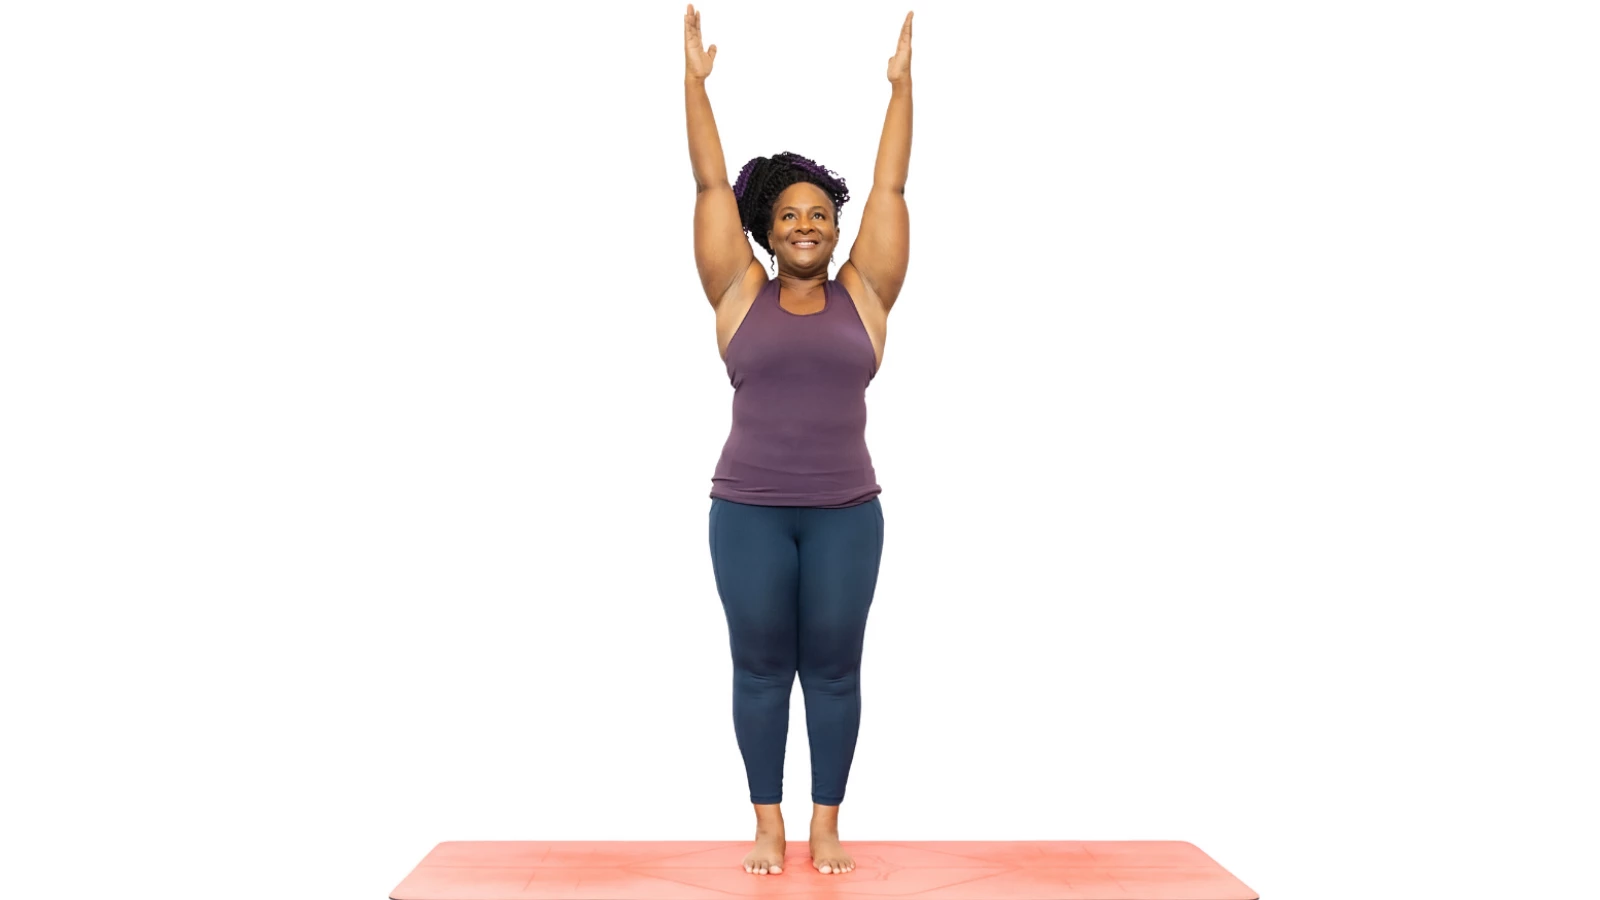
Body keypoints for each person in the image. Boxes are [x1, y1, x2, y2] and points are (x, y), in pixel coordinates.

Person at [683, 3, 913, 879]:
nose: (807, 225)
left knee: (836, 668)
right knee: (760, 667)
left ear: (836, 225)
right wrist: (695, 89)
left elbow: (891, 189)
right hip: (747, 512)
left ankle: (826, 823)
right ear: (767, 230)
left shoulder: (869, 294)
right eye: (789, 216)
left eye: (820, 213)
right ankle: (767, 823)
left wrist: (900, 91)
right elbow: (709, 186)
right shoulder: (739, 294)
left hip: (847, 514)